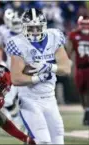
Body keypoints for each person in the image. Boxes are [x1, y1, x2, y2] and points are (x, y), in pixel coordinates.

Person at [6, 8, 72, 144]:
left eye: (37, 27)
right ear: (24, 27)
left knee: (58, 141)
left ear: (44, 26)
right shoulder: (17, 43)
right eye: (31, 28)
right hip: (30, 100)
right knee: (43, 141)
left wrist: (48, 66)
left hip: (50, 98)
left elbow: (66, 69)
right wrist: (38, 78)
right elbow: (16, 79)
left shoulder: (54, 36)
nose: (35, 31)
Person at [0, 10, 23, 129]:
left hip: (27, 73)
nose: (17, 25)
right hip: (12, 72)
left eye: (19, 23)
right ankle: (16, 119)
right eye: (15, 23)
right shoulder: (5, 34)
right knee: (8, 101)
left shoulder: (29, 34)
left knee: (30, 102)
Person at [66, 15, 89, 126]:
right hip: (80, 69)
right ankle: (86, 111)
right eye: (83, 24)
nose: (85, 27)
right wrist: (66, 64)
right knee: (81, 92)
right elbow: (68, 53)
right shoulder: (74, 35)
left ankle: (88, 112)